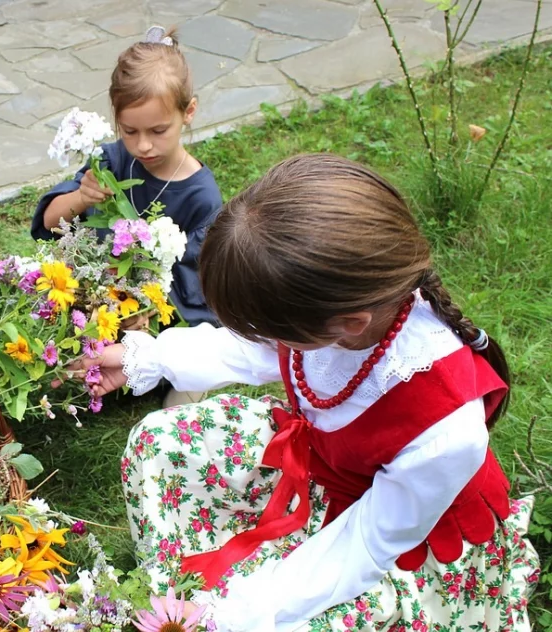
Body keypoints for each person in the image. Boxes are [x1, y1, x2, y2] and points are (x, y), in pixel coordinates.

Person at [84, 155, 539, 631]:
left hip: (393, 540)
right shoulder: (342, 310)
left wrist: (246, 611)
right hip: (322, 464)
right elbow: (251, 350)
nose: (266, 338)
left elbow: (366, 542)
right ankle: (175, 607)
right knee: (161, 441)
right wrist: (150, 359)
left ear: (347, 325)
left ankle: (208, 614)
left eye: (272, 327)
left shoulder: (446, 430)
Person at [31, 26, 223, 330]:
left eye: (158, 131)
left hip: (149, 331)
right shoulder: (111, 162)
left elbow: (196, 294)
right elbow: (50, 223)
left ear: (189, 112)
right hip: (88, 309)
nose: (143, 145)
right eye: (130, 131)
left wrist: (142, 306)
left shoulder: (201, 197)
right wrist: (83, 196)